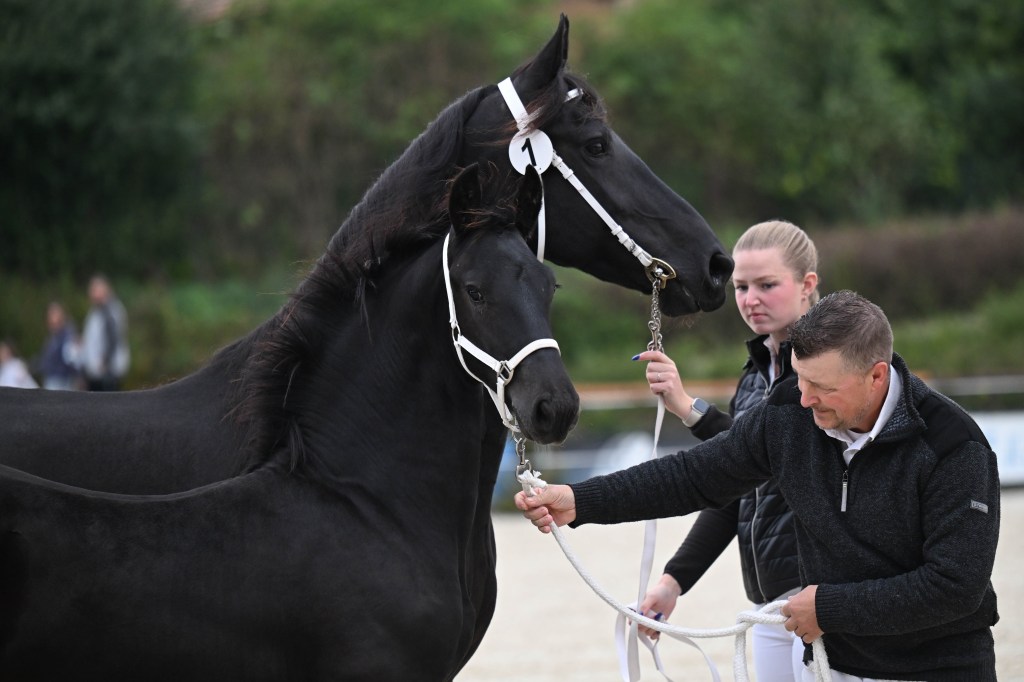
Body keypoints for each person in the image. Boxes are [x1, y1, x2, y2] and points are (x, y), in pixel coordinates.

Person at [517, 291, 1000, 681]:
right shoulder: (789, 409)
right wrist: (581, 501)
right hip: (828, 666)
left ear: (876, 376)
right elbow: (694, 475)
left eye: (822, 387)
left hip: (939, 671)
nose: (805, 399)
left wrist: (829, 608)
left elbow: (955, 586)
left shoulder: (955, 448)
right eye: (801, 379)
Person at [635, 220, 818, 681]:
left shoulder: (829, 367)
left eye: (767, 285)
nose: (751, 299)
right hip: (768, 603)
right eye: (741, 286)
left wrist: (689, 409)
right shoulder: (754, 376)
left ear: (807, 285)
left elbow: (765, 456)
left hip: (824, 599)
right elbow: (735, 487)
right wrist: (674, 581)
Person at [80, 274, 130, 391]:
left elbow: (113, 338)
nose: (91, 294)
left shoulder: (110, 310)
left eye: (94, 290)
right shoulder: (96, 311)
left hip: (107, 373)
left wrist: (105, 363)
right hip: (96, 372)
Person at [37, 301, 81, 390]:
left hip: (63, 382)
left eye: (53, 314)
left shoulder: (68, 336)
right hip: (52, 380)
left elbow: (72, 361)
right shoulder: (52, 337)